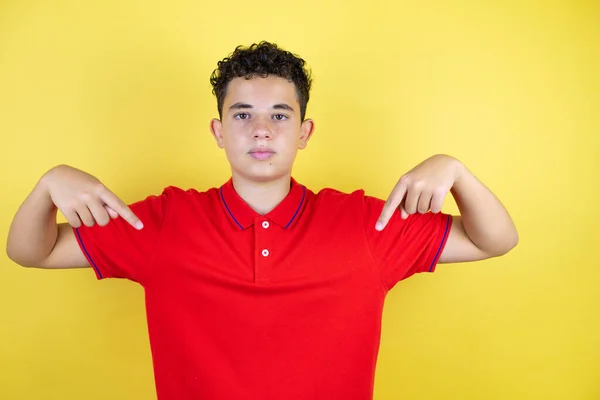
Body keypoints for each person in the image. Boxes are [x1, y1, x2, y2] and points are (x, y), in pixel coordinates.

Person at [6, 41, 518, 400]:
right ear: (218, 131)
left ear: (304, 131)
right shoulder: (165, 222)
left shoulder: (365, 223)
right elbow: (33, 251)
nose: (261, 130)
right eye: (242, 114)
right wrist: (48, 185)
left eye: (279, 115)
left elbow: (495, 239)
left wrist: (456, 172)